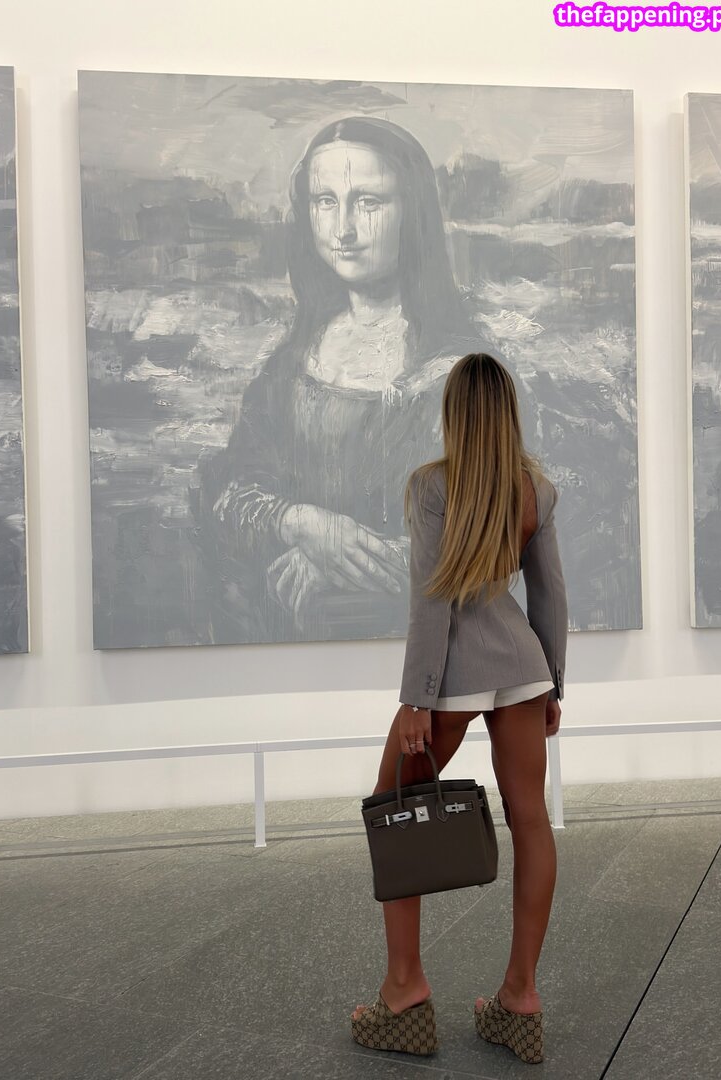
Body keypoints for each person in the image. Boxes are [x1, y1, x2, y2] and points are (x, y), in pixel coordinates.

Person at [196, 117, 533, 644]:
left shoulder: (465, 374)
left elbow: (488, 544)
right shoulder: (292, 363)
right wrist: (301, 523)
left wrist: (334, 566)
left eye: (368, 202)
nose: (343, 230)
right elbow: (228, 494)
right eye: (324, 201)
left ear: (412, 213)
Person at [350, 352, 568, 1063]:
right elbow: (550, 597)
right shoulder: (535, 490)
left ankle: (404, 992)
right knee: (531, 822)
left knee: (393, 807)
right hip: (521, 667)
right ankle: (519, 997)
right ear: (507, 413)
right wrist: (553, 683)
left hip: (453, 673)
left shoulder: (431, 486)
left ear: (453, 413)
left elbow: (433, 599)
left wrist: (417, 699)